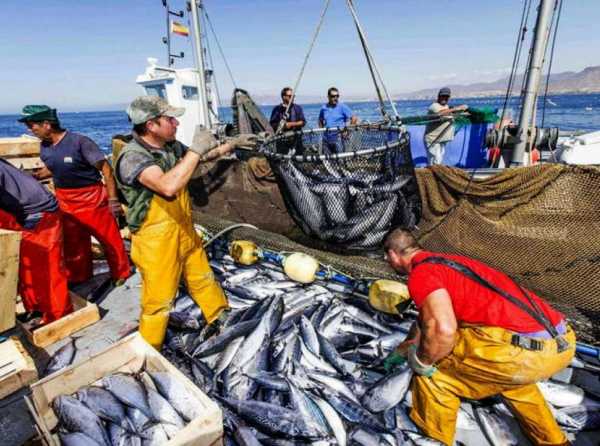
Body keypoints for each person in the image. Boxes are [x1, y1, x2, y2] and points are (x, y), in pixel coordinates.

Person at [383, 228, 575, 446]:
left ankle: (433, 442)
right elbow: (425, 321)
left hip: (519, 352)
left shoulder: (421, 275)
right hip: (559, 343)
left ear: (393, 255)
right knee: (508, 380)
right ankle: (555, 442)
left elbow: (443, 331)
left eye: (386, 258)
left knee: (435, 379)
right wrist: (404, 347)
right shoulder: (449, 262)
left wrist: (422, 362)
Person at [114, 96, 257, 349]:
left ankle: (219, 315)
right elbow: (168, 186)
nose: (176, 123)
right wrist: (194, 150)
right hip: (154, 239)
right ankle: (150, 350)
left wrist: (231, 144)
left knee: (202, 276)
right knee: (158, 300)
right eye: (170, 119)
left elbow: (200, 158)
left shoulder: (168, 146)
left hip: (182, 228)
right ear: (151, 125)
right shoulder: (133, 157)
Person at [19, 105, 130, 286]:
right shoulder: (45, 147)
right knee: (73, 243)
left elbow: (106, 170)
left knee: (108, 239)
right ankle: (80, 276)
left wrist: (113, 200)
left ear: (47, 124)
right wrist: (37, 175)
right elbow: (52, 167)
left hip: (91, 198)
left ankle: (121, 272)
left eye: (32, 125)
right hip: (65, 200)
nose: (30, 129)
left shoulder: (80, 142)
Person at [0, 159, 72, 325]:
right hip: (24, 210)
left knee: (47, 269)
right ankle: (36, 309)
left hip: (39, 213)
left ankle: (58, 315)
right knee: (25, 267)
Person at [423, 87, 468, 165]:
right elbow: (440, 113)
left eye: (446, 97)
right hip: (433, 140)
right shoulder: (434, 106)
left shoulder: (447, 107)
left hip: (442, 140)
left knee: (438, 162)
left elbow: (450, 113)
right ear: (439, 96)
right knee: (435, 163)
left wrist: (462, 112)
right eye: (443, 96)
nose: (444, 98)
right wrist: (457, 108)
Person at [318, 87, 358, 154]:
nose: (336, 98)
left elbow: (354, 118)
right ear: (328, 97)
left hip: (338, 138)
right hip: (326, 138)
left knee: (340, 160)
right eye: (333, 96)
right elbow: (320, 120)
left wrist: (347, 131)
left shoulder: (342, 106)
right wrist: (322, 131)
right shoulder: (324, 108)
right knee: (327, 159)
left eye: (337, 96)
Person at [269, 87, 306, 154]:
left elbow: (303, 122)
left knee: (297, 161)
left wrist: (291, 124)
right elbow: (272, 124)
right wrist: (282, 125)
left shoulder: (297, 108)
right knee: (282, 161)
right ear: (284, 97)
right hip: (282, 141)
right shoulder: (277, 109)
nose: (292, 98)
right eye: (290, 96)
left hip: (296, 141)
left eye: (293, 96)